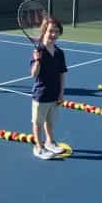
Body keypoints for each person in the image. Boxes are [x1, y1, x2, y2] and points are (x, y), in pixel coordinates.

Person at [30, 17, 67, 160]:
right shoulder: (39, 51)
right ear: (44, 31)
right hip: (41, 94)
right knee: (38, 123)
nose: (53, 34)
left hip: (54, 94)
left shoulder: (59, 53)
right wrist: (38, 60)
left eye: (57, 31)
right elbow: (33, 74)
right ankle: (39, 147)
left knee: (50, 121)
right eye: (51, 31)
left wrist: (61, 93)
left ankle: (50, 142)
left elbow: (62, 73)